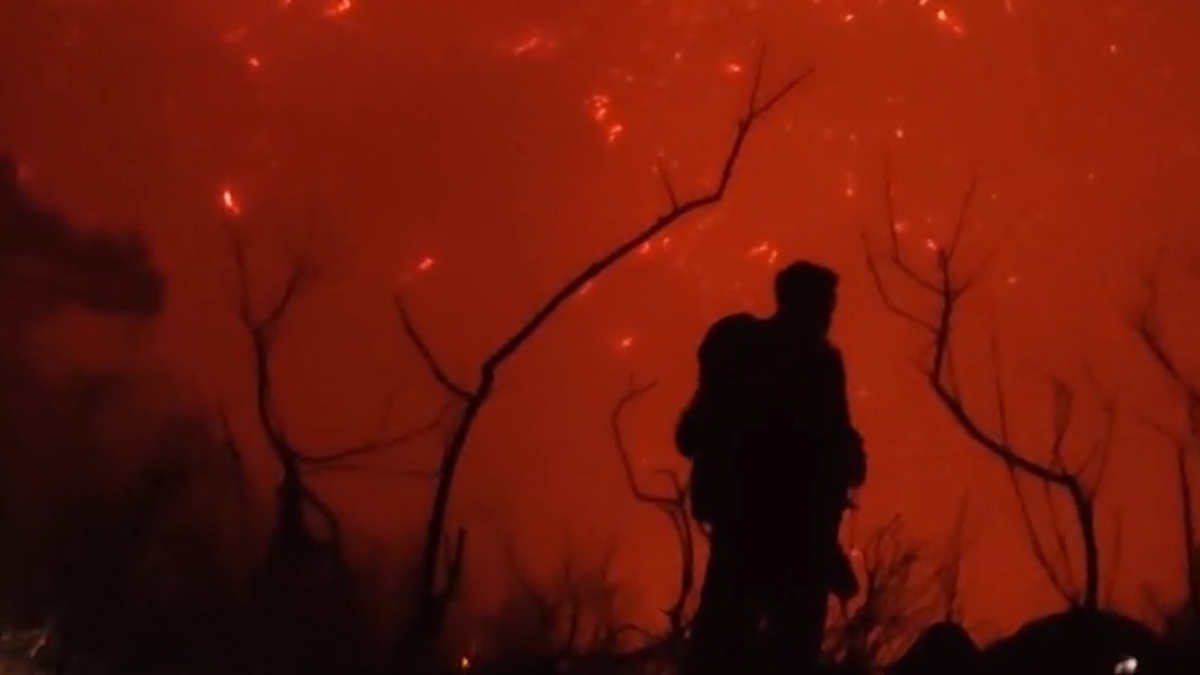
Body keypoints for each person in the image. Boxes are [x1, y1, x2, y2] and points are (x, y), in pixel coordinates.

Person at [676, 260, 867, 675]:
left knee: (735, 638)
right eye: (821, 305)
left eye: (829, 306)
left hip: (768, 530)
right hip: (767, 528)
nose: (827, 315)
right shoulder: (790, 360)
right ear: (794, 301)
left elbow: (691, 433)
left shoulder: (800, 360)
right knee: (754, 641)